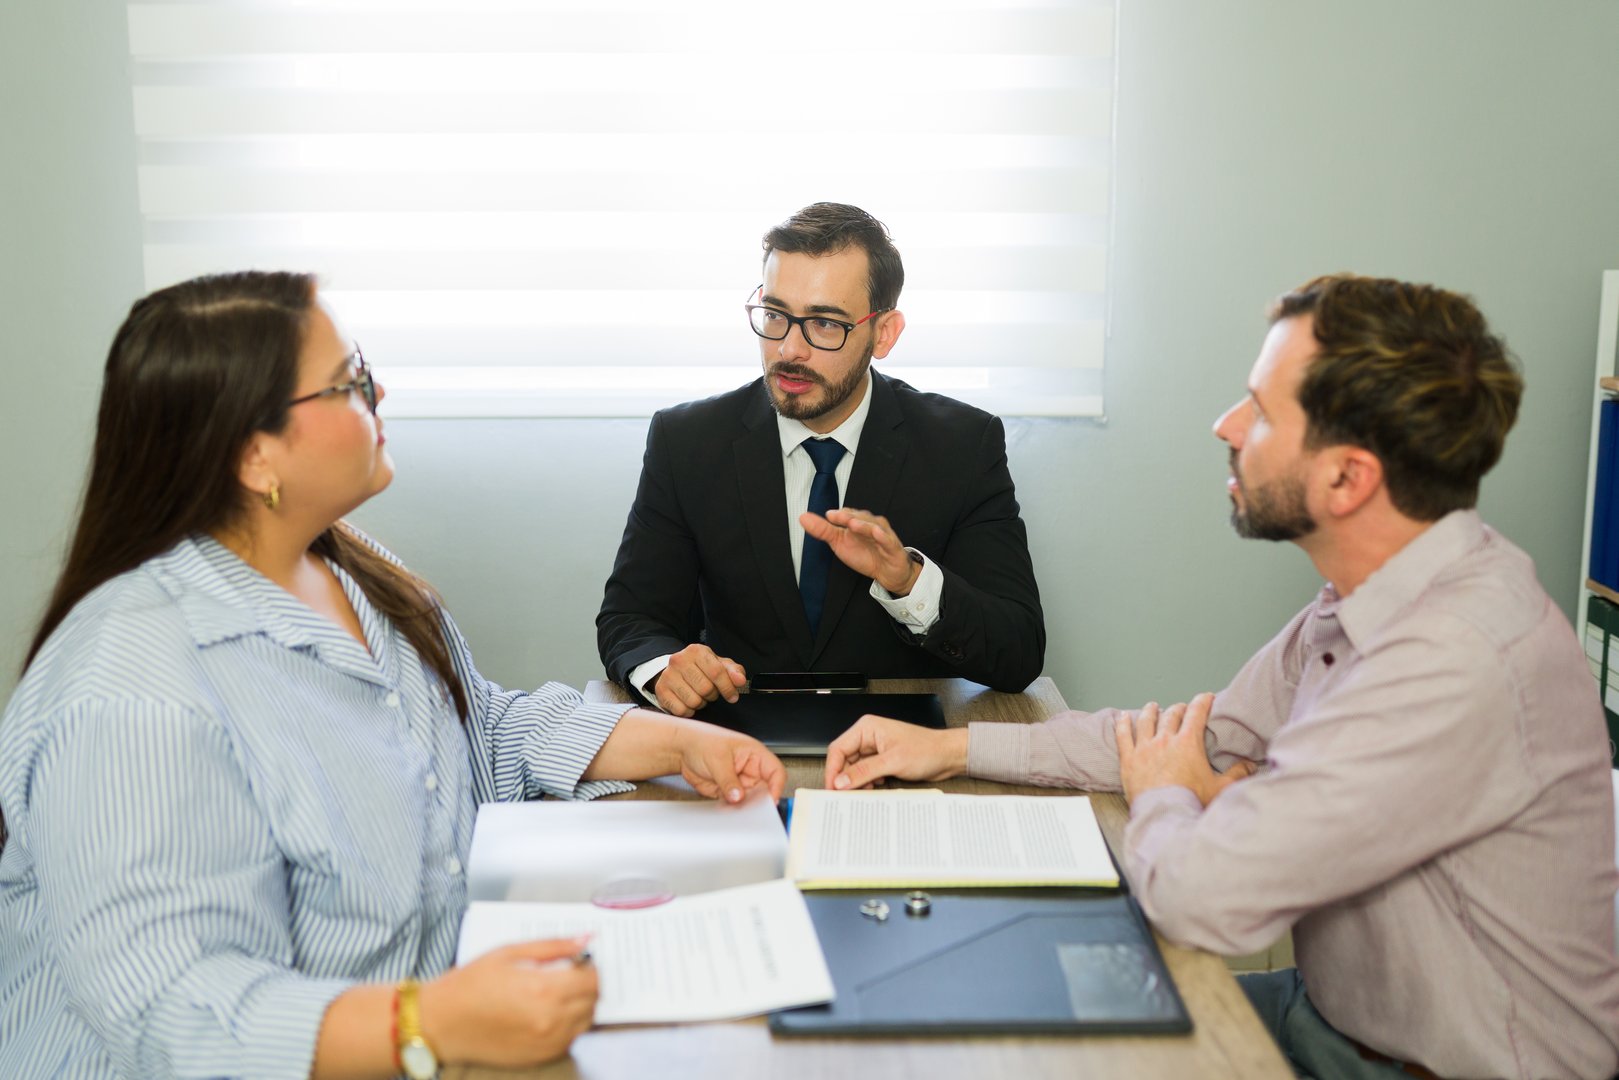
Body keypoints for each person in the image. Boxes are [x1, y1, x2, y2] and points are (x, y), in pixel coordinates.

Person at [822, 274, 1619, 1079]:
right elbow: (1188, 741)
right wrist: (951, 750)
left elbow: (1201, 899)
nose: (1225, 426)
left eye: (1263, 411)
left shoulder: (1450, 658)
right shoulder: (1361, 603)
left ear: (1348, 478)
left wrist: (1168, 791)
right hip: (1329, 1016)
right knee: (998, 1017)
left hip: (1426, 1066)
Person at [0, 271, 787, 1080]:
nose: (379, 392)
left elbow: (476, 728)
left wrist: (671, 742)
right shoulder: (129, 690)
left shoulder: (347, 573)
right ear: (252, 453)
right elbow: (181, 1016)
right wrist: (432, 1021)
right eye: (348, 383)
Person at [596, 202, 1045, 716]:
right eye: (776, 315)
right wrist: (666, 668)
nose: (789, 349)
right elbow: (629, 618)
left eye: (826, 324)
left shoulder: (963, 445)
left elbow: (1019, 651)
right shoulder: (688, 441)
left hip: (902, 748)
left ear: (884, 333)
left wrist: (909, 581)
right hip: (731, 745)